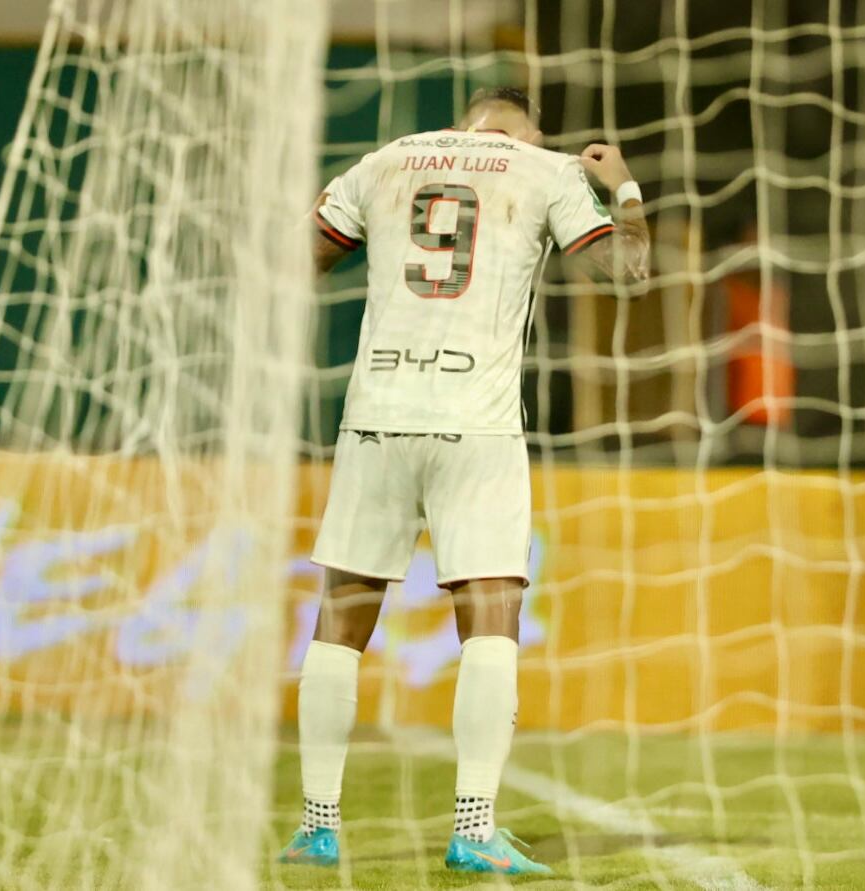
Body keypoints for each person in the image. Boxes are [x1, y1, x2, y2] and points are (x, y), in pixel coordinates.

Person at [278, 86, 650, 876]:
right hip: (475, 427)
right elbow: (627, 273)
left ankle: (316, 825)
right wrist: (620, 187)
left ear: (459, 123)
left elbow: (297, 261)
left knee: (340, 617)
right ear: (531, 129)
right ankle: (472, 826)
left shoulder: (386, 160)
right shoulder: (544, 168)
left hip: (374, 415)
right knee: (490, 619)